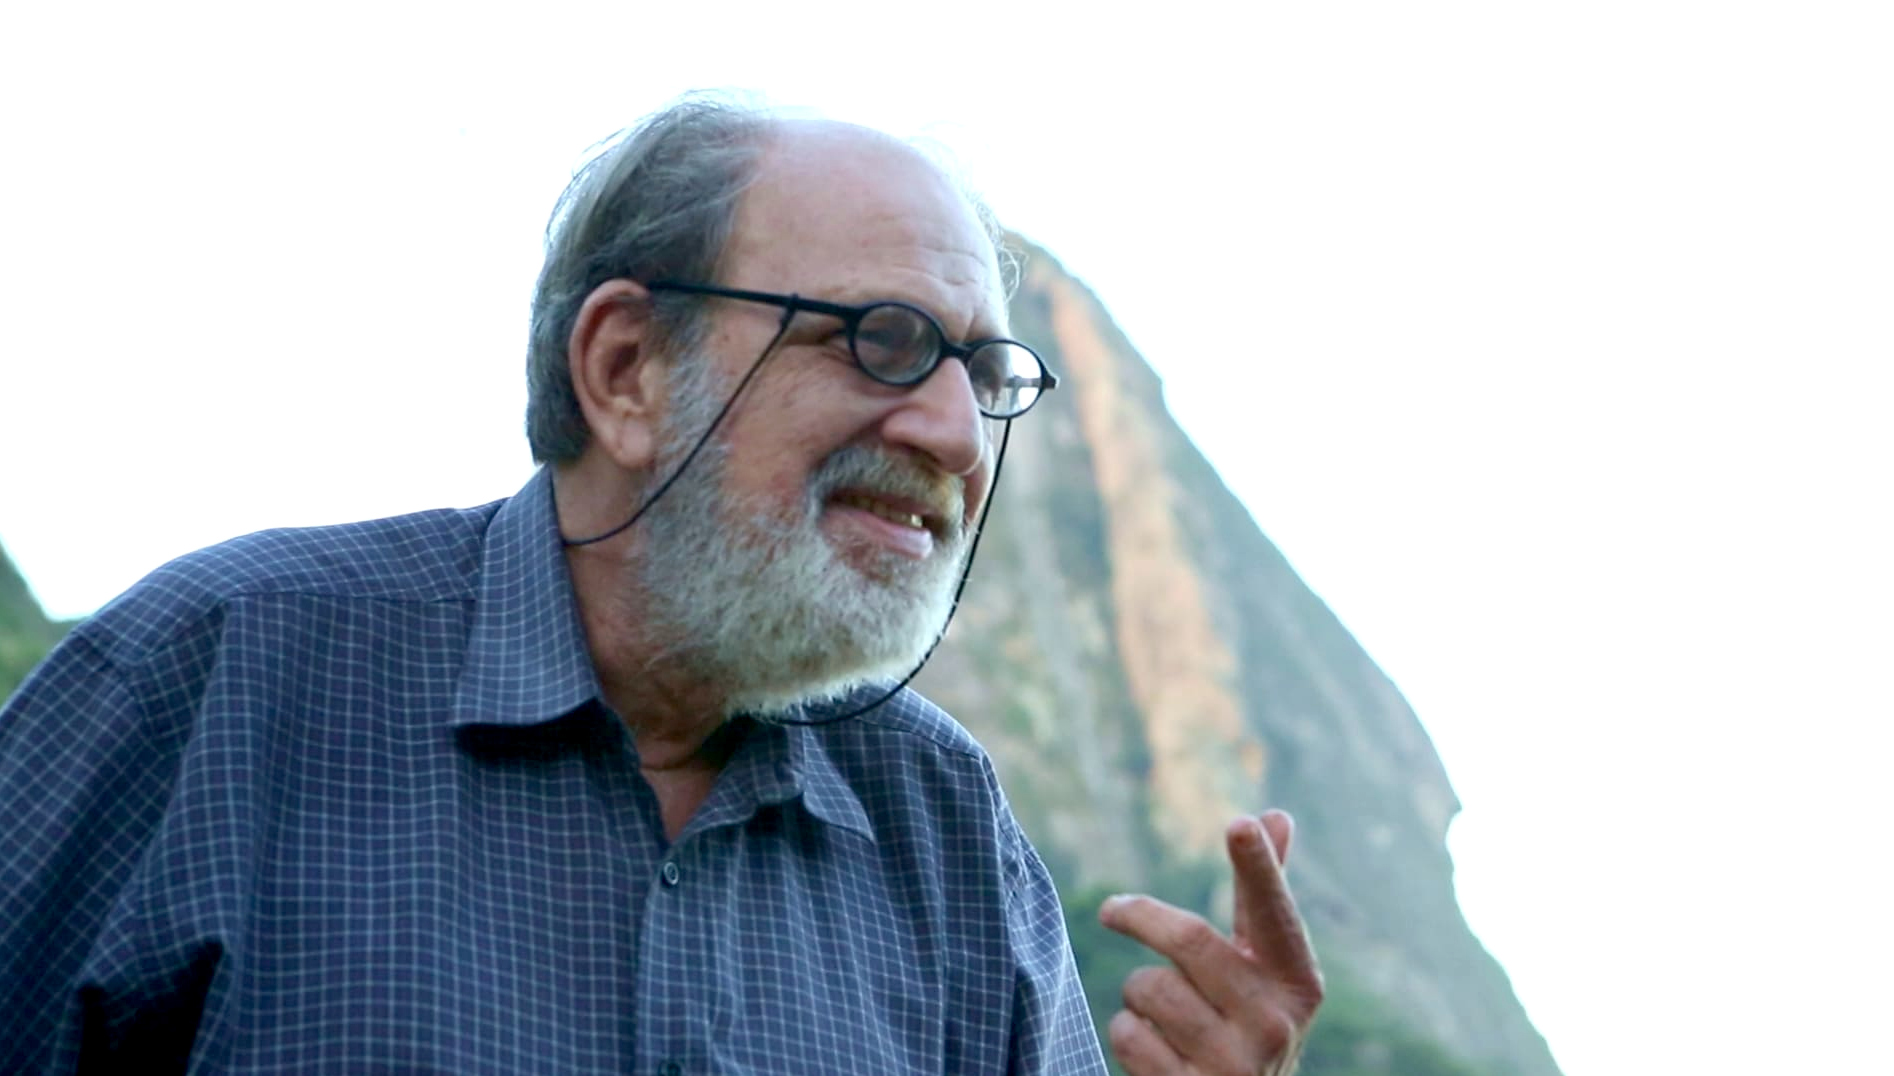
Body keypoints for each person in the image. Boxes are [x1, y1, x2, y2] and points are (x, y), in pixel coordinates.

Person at [0, 97, 1323, 1074]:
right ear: (626, 369)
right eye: (882, 341)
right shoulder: (212, 677)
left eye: (981, 377)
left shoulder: (946, 830)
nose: (955, 435)